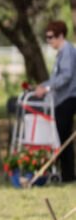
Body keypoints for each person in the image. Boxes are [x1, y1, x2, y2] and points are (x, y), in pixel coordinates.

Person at [34, 20, 76, 183]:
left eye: (51, 37)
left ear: (61, 36)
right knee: (62, 137)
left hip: (68, 99)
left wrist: (47, 88)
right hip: (61, 100)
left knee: (61, 138)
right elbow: (55, 78)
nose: (49, 41)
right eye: (47, 38)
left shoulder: (67, 51)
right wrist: (42, 86)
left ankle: (63, 174)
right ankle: (67, 175)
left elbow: (66, 76)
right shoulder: (61, 53)